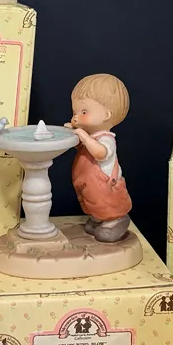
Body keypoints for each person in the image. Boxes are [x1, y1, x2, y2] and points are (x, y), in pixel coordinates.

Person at [65, 74, 132, 243]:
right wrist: (73, 134)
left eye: (84, 112)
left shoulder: (106, 139)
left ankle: (114, 221)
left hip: (103, 184)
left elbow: (100, 153)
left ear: (106, 115)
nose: (76, 116)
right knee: (91, 200)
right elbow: (82, 148)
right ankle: (98, 218)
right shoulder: (91, 136)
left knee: (104, 202)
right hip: (87, 182)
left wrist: (84, 137)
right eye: (75, 112)